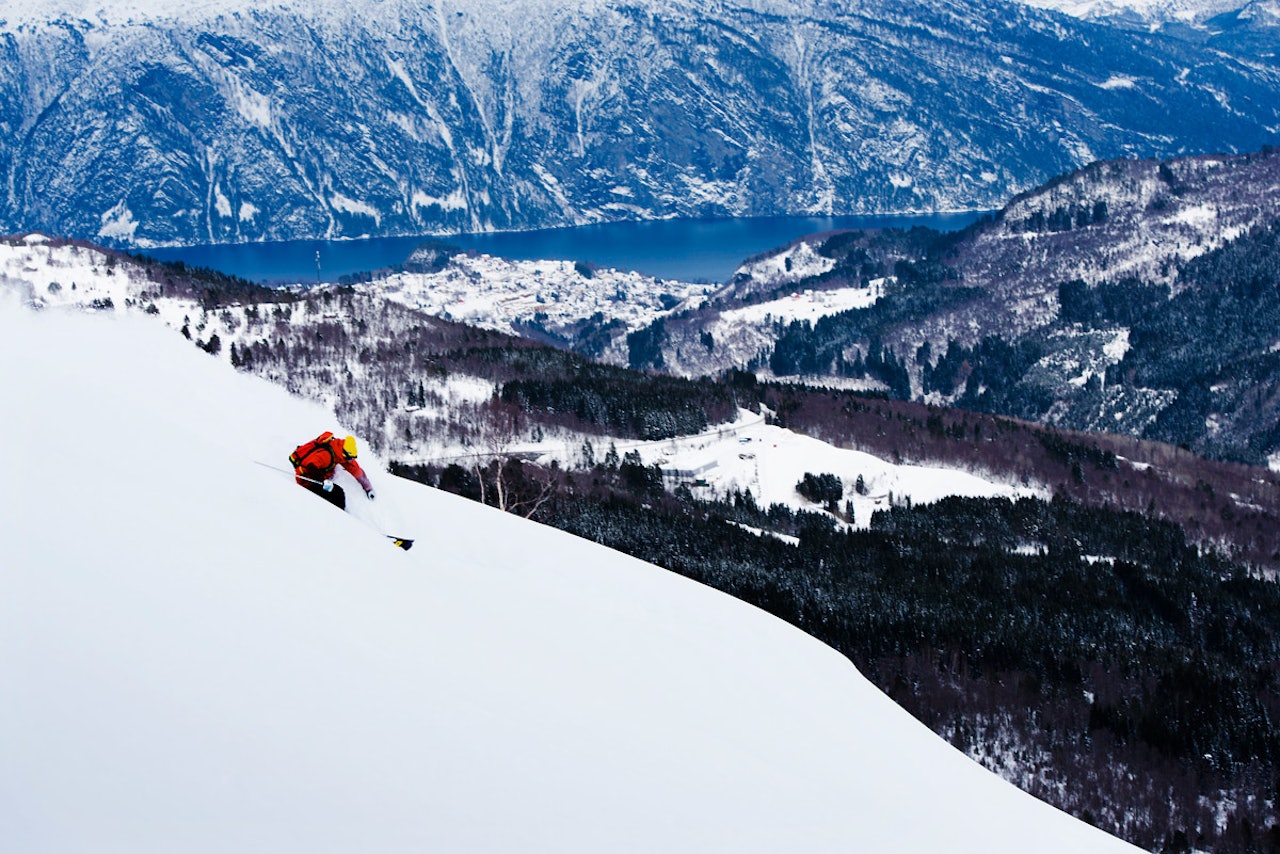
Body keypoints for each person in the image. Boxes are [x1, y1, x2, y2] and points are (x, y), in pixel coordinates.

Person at [289, 431, 375, 510]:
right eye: (349, 458)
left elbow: (354, 469)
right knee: (338, 494)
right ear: (344, 454)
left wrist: (368, 487)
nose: (350, 460)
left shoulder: (339, 451)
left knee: (337, 493)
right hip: (306, 480)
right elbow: (310, 466)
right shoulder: (326, 455)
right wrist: (322, 481)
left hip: (317, 478)